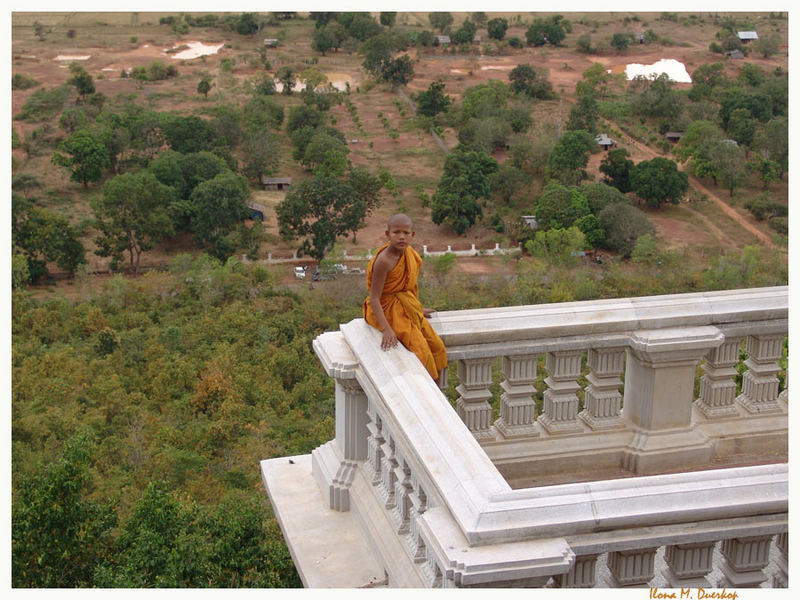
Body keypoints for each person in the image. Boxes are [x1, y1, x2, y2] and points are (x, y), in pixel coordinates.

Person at [363, 214, 447, 382]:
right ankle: (429, 393)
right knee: (422, 353)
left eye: (406, 233)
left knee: (437, 346)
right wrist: (386, 329)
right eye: (396, 232)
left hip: (407, 306)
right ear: (387, 234)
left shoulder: (409, 254)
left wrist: (417, 309)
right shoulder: (384, 261)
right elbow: (374, 298)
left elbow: (408, 286)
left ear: (412, 235)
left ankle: (436, 393)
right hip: (388, 309)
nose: (401, 237)